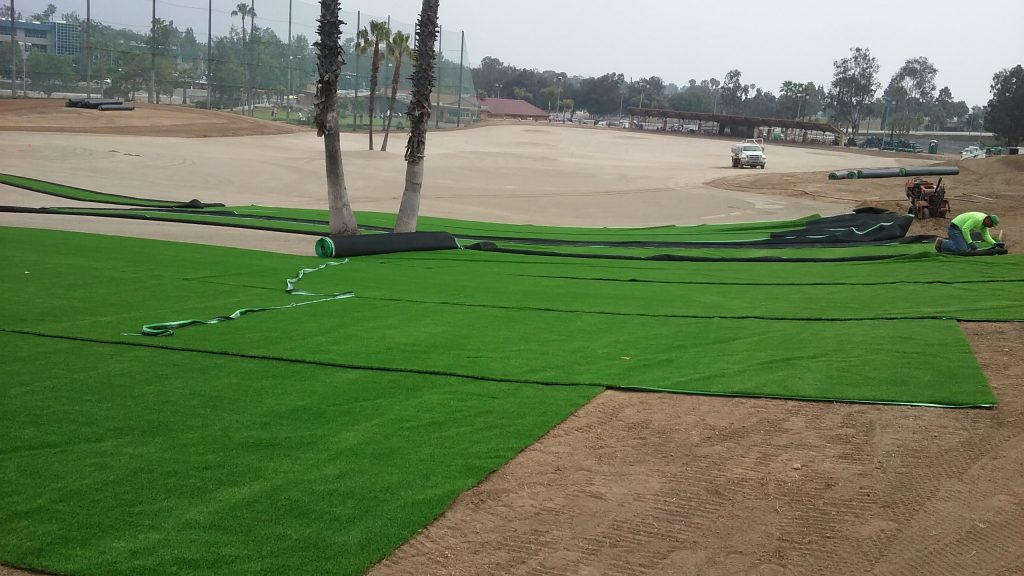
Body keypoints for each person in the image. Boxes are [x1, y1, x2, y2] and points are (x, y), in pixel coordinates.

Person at [935, 212, 1003, 253]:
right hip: (955, 228)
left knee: (967, 248)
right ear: (988, 219)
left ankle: (955, 242)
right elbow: (965, 229)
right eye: (991, 224)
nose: (990, 226)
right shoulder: (977, 219)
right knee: (962, 249)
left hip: (961, 231)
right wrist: (970, 242)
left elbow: (986, 236)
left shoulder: (984, 224)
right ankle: (942, 243)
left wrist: (994, 244)